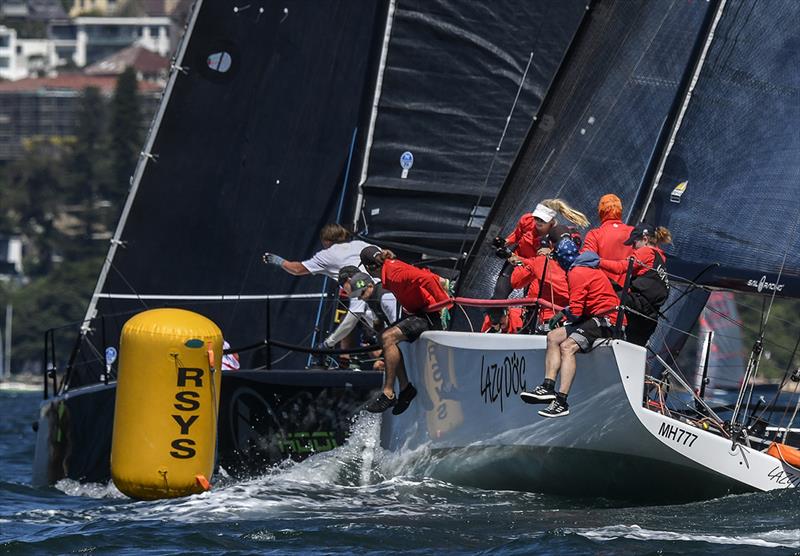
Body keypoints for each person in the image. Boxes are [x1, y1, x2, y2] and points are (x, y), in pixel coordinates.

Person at [519, 238, 623, 418]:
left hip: (606, 319)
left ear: (561, 259)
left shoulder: (576, 272)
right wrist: (566, 314)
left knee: (567, 346)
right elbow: (579, 309)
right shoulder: (584, 267)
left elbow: (576, 311)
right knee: (553, 336)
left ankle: (561, 401)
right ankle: (548, 386)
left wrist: (564, 314)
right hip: (593, 317)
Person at [359, 246, 452, 414]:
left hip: (429, 315)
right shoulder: (390, 270)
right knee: (385, 337)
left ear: (368, 267)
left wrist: (445, 304)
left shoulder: (394, 272)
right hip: (419, 312)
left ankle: (388, 392)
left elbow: (428, 278)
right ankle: (405, 388)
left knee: (388, 337)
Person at [488, 199, 588, 328]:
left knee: (531, 302)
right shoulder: (526, 220)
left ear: (552, 221)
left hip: (536, 268)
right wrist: (504, 243)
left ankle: (525, 331)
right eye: (537, 218)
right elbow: (517, 235)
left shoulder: (556, 234)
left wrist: (550, 251)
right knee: (498, 296)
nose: (538, 222)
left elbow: (555, 258)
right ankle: (496, 325)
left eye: (542, 220)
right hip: (517, 258)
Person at [599, 223, 671, 347]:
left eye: (634, 243)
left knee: (604, 286)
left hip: (637, 306)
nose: (633, 248)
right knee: (634, 351)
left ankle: (597, 328)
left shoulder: (647, 252)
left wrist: (597, 261)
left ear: (645, 239)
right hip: (650, 317)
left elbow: (620, 267)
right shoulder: (661, 257)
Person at [581, 194, 634, 286]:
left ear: (601, 212)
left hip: (601, 289)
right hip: (627, 294)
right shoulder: (634, 233)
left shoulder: (595, 234)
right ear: (620, 211)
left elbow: (586, 261)